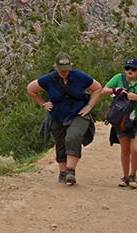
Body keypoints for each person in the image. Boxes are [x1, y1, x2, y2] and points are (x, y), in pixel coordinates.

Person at [27, 53, 103, 186]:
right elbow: (31, 89)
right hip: (57, 115)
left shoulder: (79, 77)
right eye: (61, 69)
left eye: (66, 69)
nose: (64, 72)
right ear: (56, 67)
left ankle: (70, 171)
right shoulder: (49, 79)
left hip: (78, 114)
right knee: (60, 142)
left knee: (72, 137)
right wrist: (42, 104)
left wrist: (89, 106)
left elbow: (97, 88)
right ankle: (63, 173)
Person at [102, 58, 137, 189]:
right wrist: (116, 90)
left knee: (136, 149)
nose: (130, 71)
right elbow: (104, 91)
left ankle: (133, 175)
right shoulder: (118, 78)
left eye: (133, 69)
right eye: (127, 68)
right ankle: (125, 177)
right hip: (121, 120)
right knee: (125, 148)